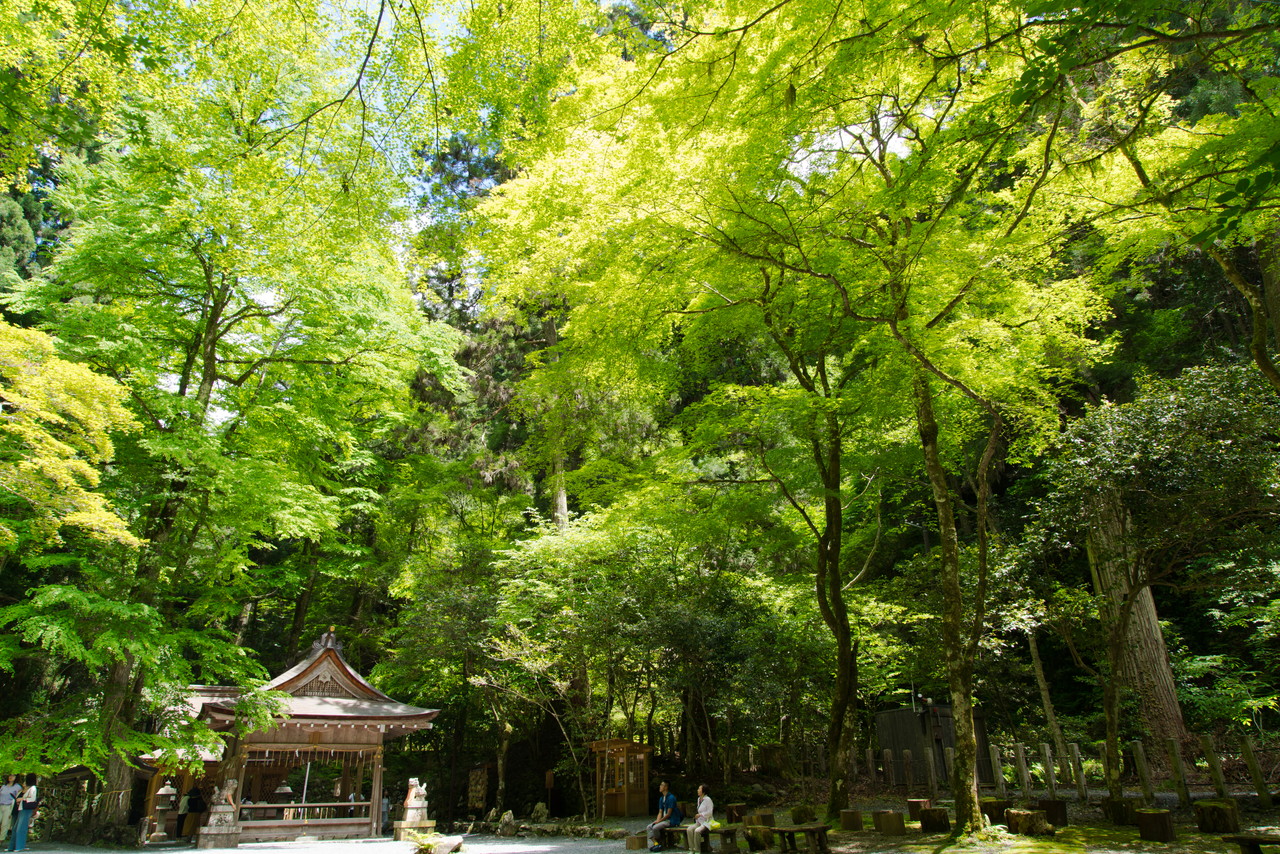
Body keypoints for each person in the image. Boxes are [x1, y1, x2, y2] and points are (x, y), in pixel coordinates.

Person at [646, 781, 681, 852]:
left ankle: (661, 842)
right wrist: (657, 820)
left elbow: (668, 814)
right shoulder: (661, 798)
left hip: (671, 820)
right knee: (649, 827)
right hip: (663, 820)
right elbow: (660, 812)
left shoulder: (671, 798)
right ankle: (656, 843)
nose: (660, 786)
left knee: (655, 828)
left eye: (661, 785)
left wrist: (659, 821)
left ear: (666, 787)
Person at [7, 774, 37, 853]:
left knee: (21, 828)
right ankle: (12, 846)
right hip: (21, 808)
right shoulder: (26, 789)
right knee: (16, 828)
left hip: (26, 809)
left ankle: (19, 846)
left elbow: (32, 798)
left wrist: (22, 799)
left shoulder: (33, 788)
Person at [685, 784, 713, 853]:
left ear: (703, 791)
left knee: (697, 831)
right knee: (689, 829)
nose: (698, 790)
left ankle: (697, 850)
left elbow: (710, 812)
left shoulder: (708, 800)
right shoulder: (699, 799)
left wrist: (700, 815)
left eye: (699, 789)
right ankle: (691, 849)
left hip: (707, 822)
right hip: (699, 822)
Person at [0, 775, 21, 846]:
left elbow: (18, 797)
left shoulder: (17, 787)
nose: (11, 777)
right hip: (0, 805)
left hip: (9, 806)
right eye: (10, 776)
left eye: (13, 776)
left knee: (5, 823)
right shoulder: (4, 786)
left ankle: (1, 839)